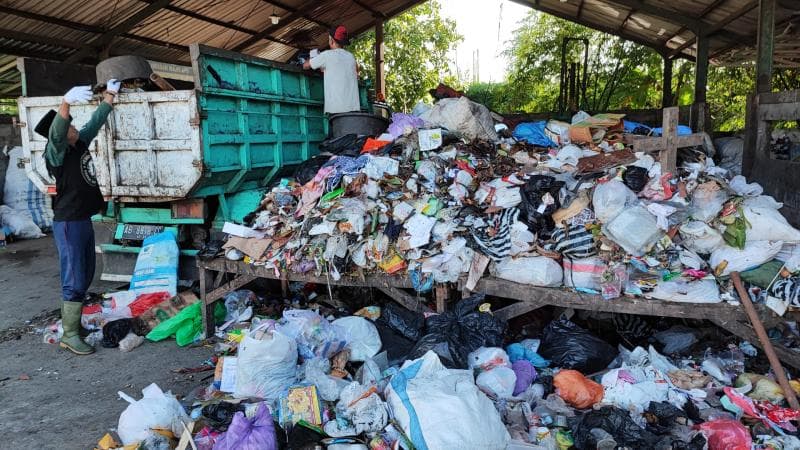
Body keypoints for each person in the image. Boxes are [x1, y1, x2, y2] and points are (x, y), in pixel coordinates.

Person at [33, 79, 120, 355]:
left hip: (82, 219)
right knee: (73, 276)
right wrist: (65, 102)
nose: (73, 127)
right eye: (69, 124)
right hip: (68, 222)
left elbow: (94, 122)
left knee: (86, 272)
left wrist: (109, 96)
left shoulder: (79, 143)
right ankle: (69, 333)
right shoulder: (55, 153)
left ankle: (76, 325)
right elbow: (58, 132)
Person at [303, 25, 360, 114]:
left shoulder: (327, 55)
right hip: (353, 109)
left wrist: (312, 58)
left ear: (331, 40)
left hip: (337, 112)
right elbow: (355, 72)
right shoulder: (351, 57)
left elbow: (305, 66)